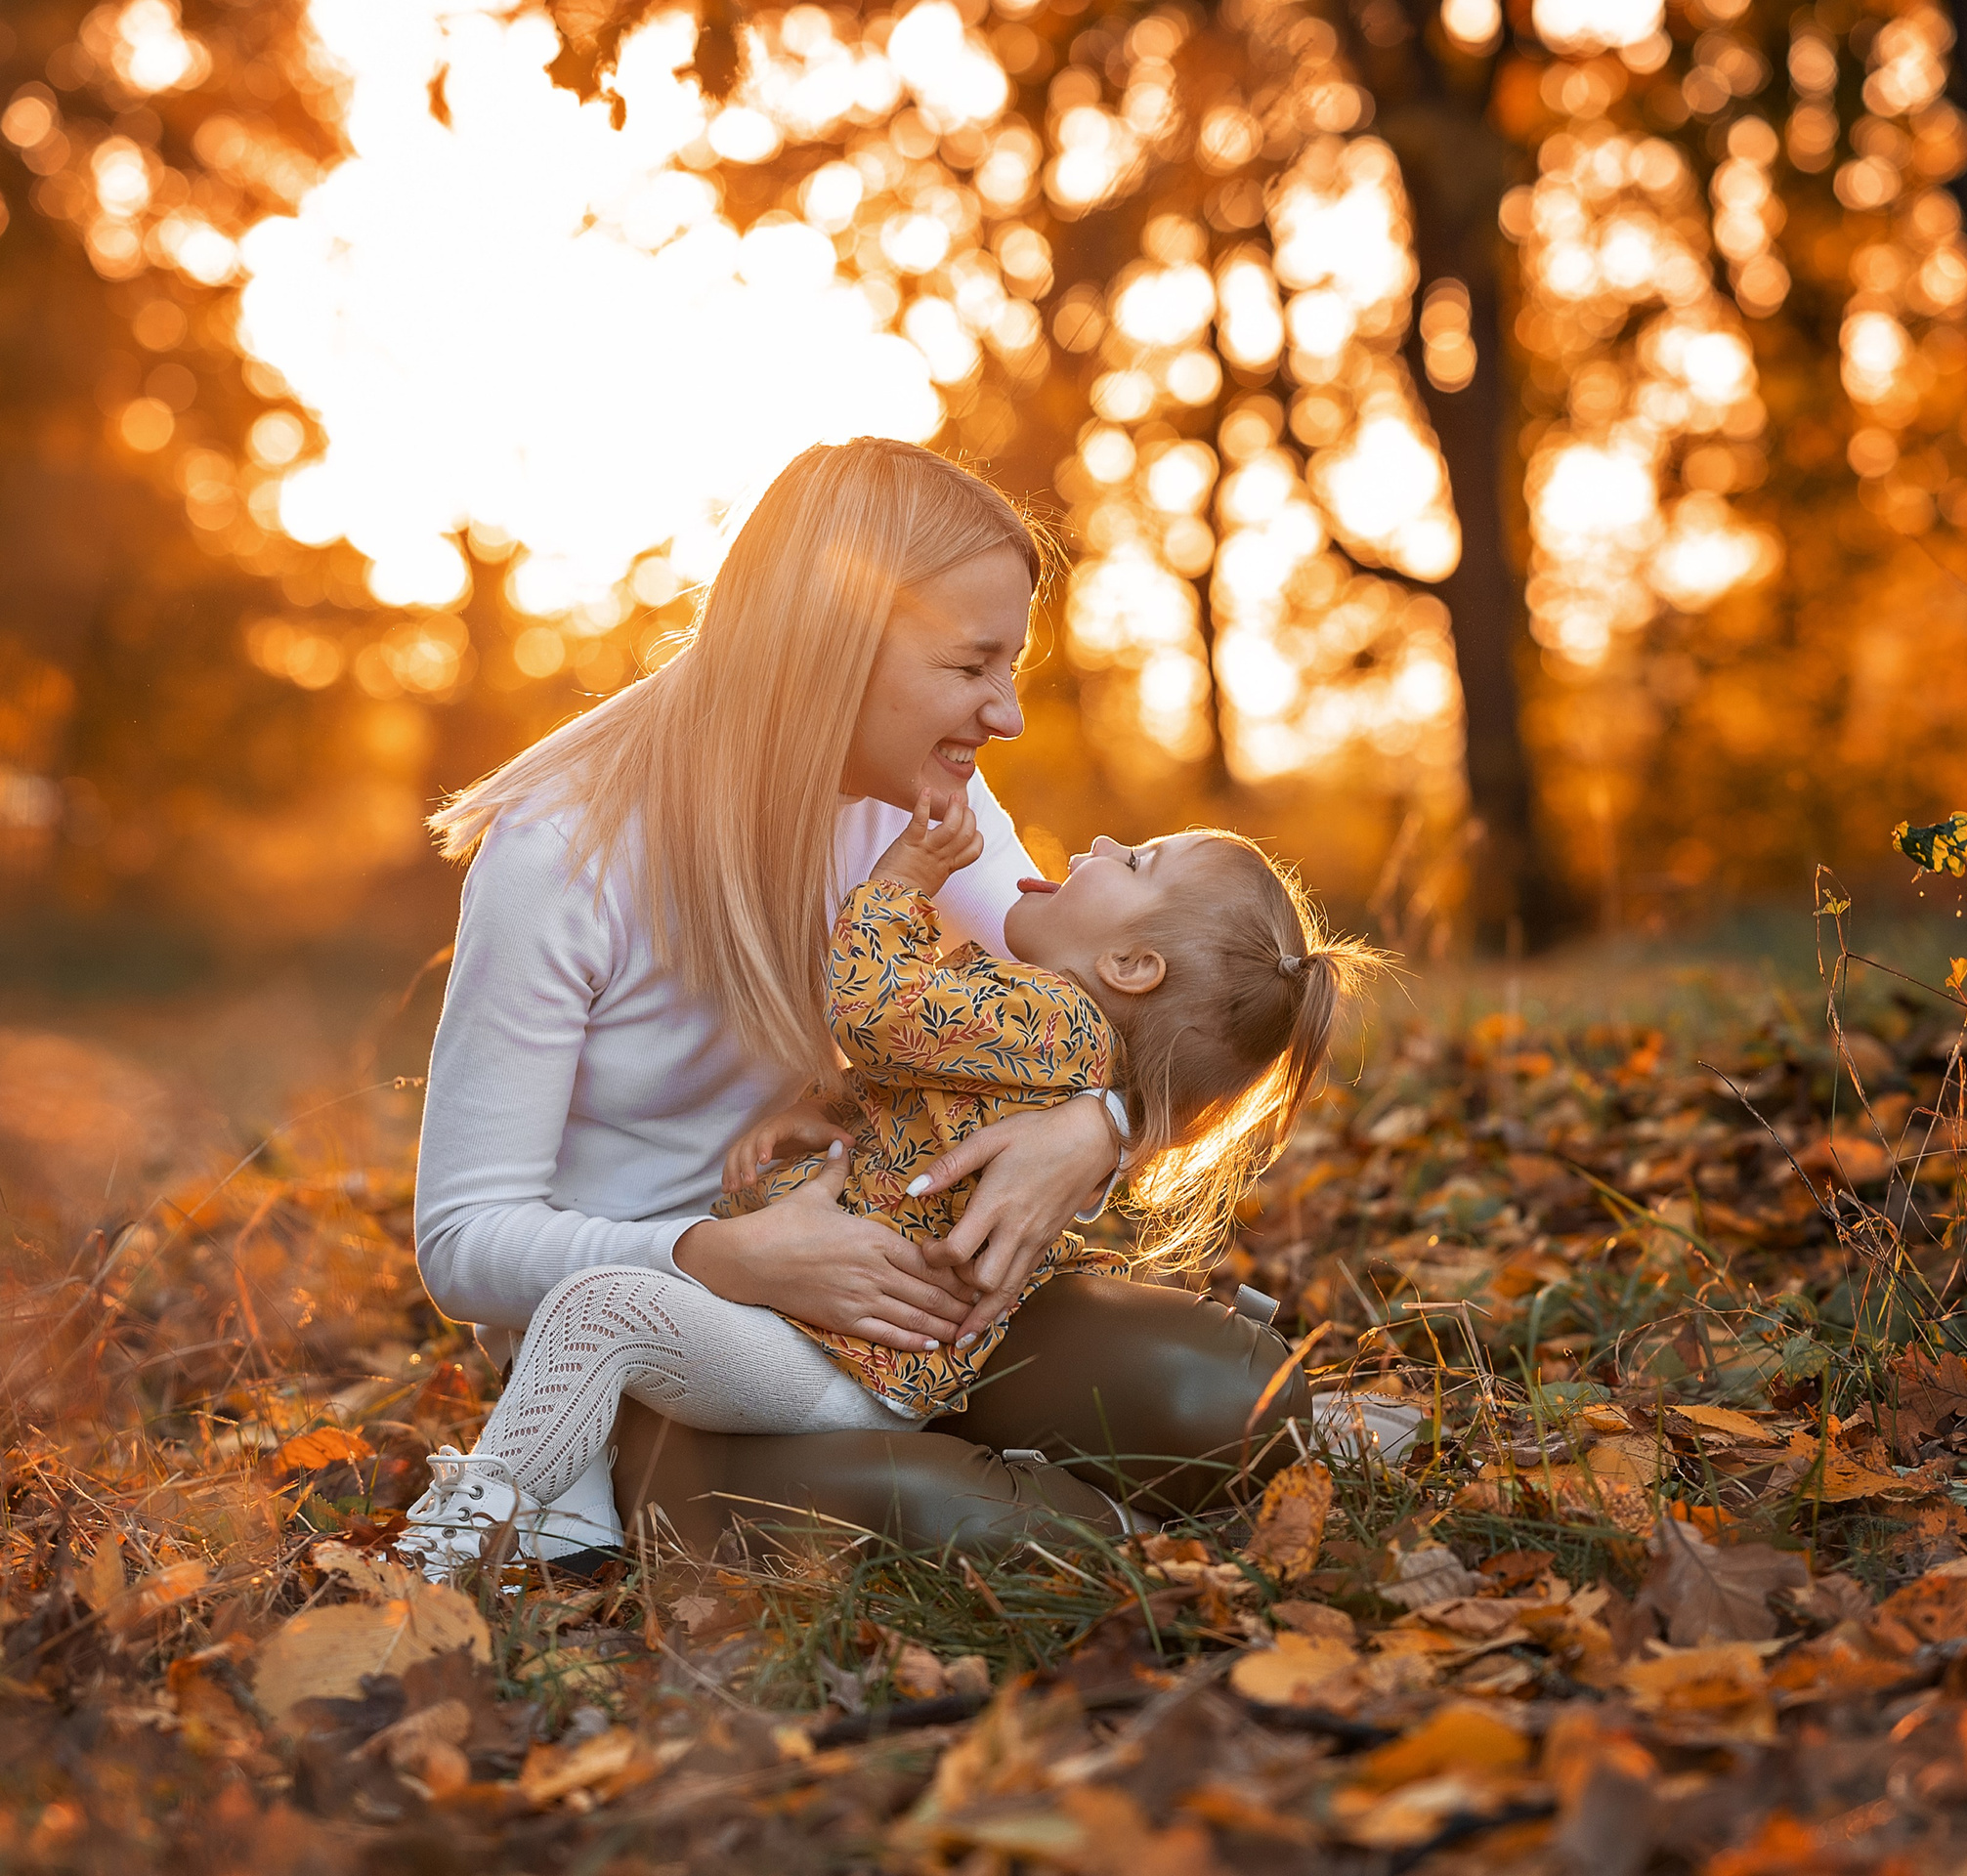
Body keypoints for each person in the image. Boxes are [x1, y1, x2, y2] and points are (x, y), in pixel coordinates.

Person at [404, 437, 1417, 1571]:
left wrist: (1100, 1128)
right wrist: (714, 1255)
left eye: (1010, 668)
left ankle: (1001, 1457)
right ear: (830, 647)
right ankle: (629, 1506)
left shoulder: (929, 795)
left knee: (1225, 1399)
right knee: (959, 1525)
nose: (1007, 717)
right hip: (674, 1337)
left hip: (905, 1301)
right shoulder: (561, 851)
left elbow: (1157, 1010)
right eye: (972, 664)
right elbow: (462, 1245)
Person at [395, 782, 1388, 1577]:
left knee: (597, 1311)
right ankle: (548, 1529)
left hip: (840, 1355)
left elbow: (876, 1007)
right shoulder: (1045, 1026)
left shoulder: (1045, 1017)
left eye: (1132, 863)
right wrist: (815, 1114)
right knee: (598, 1314)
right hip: (845, 1345)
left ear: (1130, 965)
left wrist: (903, 878)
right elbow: (912, 1088)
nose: (1093, 847)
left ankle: (444, 1554)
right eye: (969, 667)